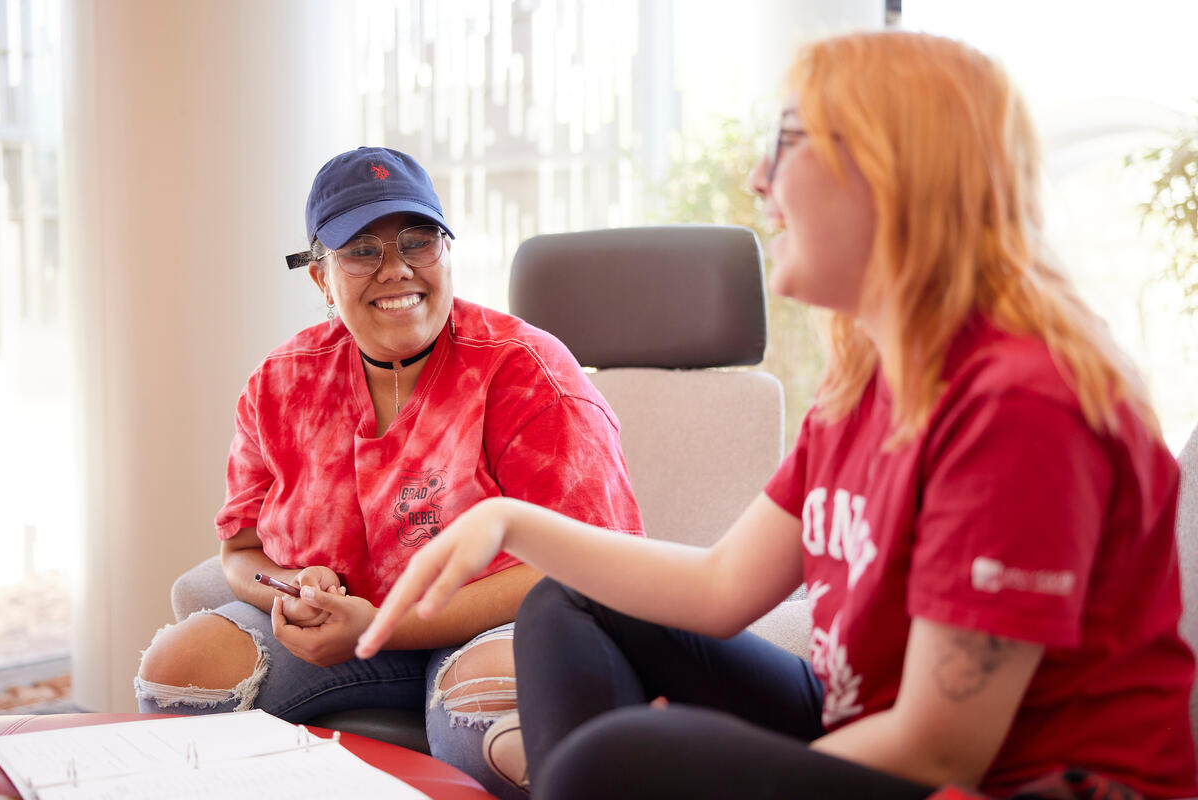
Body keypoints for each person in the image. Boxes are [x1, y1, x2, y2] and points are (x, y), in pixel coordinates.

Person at [353, 31, 1198, 800]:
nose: (758, 179)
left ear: (892, 169)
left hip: (1017, 782)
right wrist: (511, 521)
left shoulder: (1018, 405)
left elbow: (945, 748)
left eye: (786, 144)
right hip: (870, 725)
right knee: (564, 606)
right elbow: (721, 588)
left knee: (612, 765)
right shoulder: (867, 386)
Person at [134, 146, 643, 799]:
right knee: (180, 670)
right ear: (321, 276)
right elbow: (239, 552)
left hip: (501, 618)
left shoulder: (526, 369)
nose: (396, 268)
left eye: (417, 240)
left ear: (446, 252)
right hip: (350, 633)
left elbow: (590, 561)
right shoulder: (281, 383)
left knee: (481, 710)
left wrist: (385, 624)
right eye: (362, 250)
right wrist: (291, 587)